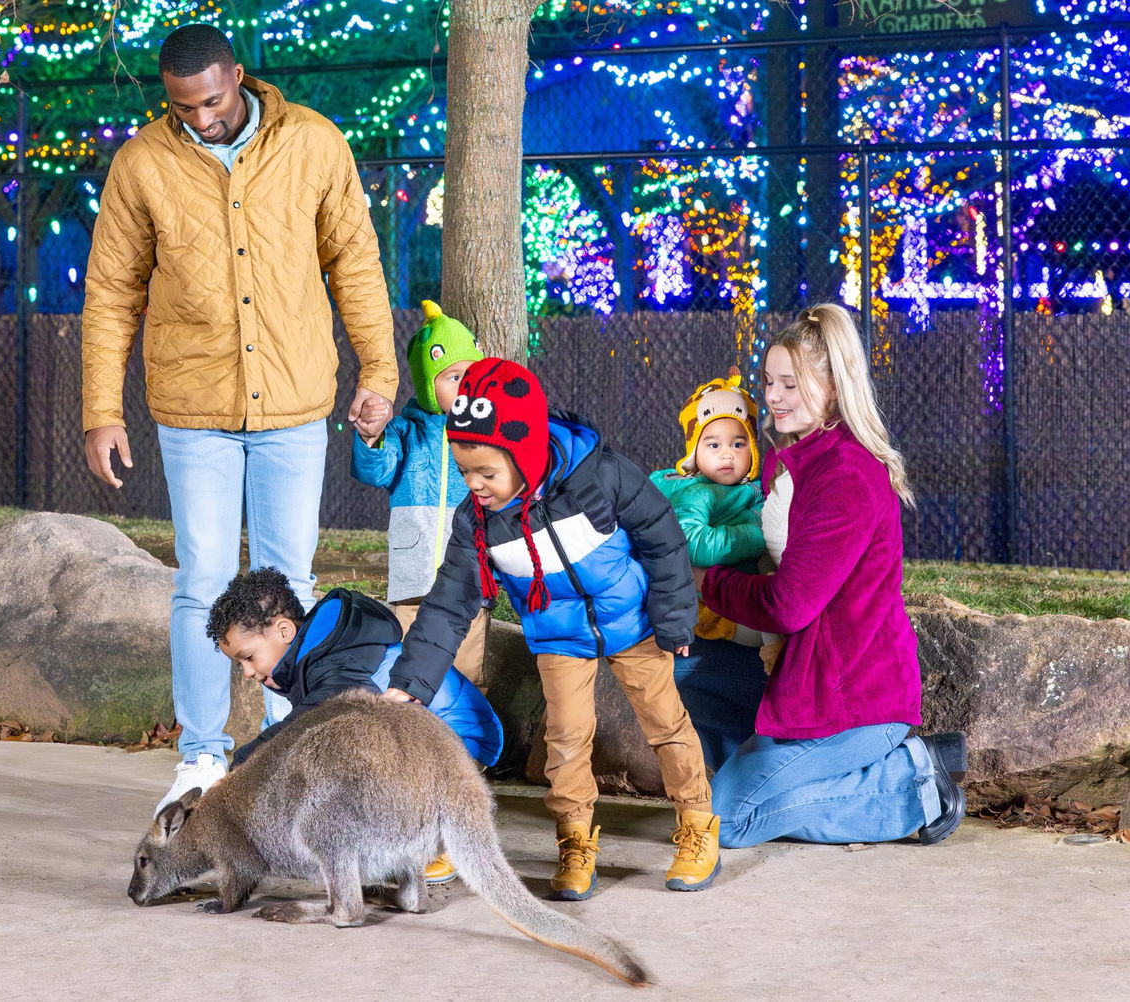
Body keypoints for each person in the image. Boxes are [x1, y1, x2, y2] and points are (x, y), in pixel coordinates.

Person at [80, 23, 397, 815]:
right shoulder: (141, 163)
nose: (201, 118)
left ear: (239, 77)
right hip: (195, 409)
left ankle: (291, 747)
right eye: (183, 107)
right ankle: (201, 757)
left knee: (292, 579)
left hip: (294, 402)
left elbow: (356, 264)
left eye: (213, 102)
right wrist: (101, 410)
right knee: (203, 582)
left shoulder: (314, 143)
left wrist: (380, 371)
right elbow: (111, 291)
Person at [384, 358, 722, 900]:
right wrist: (412, 681)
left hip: (634, 622)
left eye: (485, 472)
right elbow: (449, 603)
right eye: (464, 470)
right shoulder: (478, 522)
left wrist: (675, 615)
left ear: (524, 453)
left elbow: (662, 535)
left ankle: (698, 823)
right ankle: (575, 839)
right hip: (558, 634)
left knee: (665, 722)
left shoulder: (597, 475)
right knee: (565, 738)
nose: (473, 485)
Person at [696, 304, 967, 850]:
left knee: (724, 819)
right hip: (798, 679)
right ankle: (759, 780)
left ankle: (914, 780)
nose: (773, 397)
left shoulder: (846, 474)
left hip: (852, 700)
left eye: (790, 384)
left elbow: (787, 605)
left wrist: (705, 580)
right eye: (769, 381)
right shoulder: (793, 460)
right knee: (683, 671)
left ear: (834, 387)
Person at [206, 567, 502, 884]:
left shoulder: (336, 663)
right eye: (239, 664)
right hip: (429, 746)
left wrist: (244, 766)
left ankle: (439, 843)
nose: (247, 672)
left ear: (284, 631)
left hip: (456, 748)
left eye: (249, 657)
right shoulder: (323, 651)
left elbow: (308, 722)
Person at [350, 300, 489, 686]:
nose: (464, 386)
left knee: (467, 667)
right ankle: (409, 721)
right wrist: (371, 436)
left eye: (471, 375)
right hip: (413, 578)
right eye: (453, 377)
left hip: (468, 581)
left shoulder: (484, 432)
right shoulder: (405, 430)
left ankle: (469, 722)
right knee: (407, 664)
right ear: (428, 385)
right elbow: (375, 471)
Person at [649, 368, 770, 768]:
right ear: (694, 451)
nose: (727, 454)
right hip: (707, 611)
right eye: (713, 444)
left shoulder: (748, 490)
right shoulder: (697, 492)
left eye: (738, 443)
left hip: (736, 596)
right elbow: (695, 544)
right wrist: (757, 533)